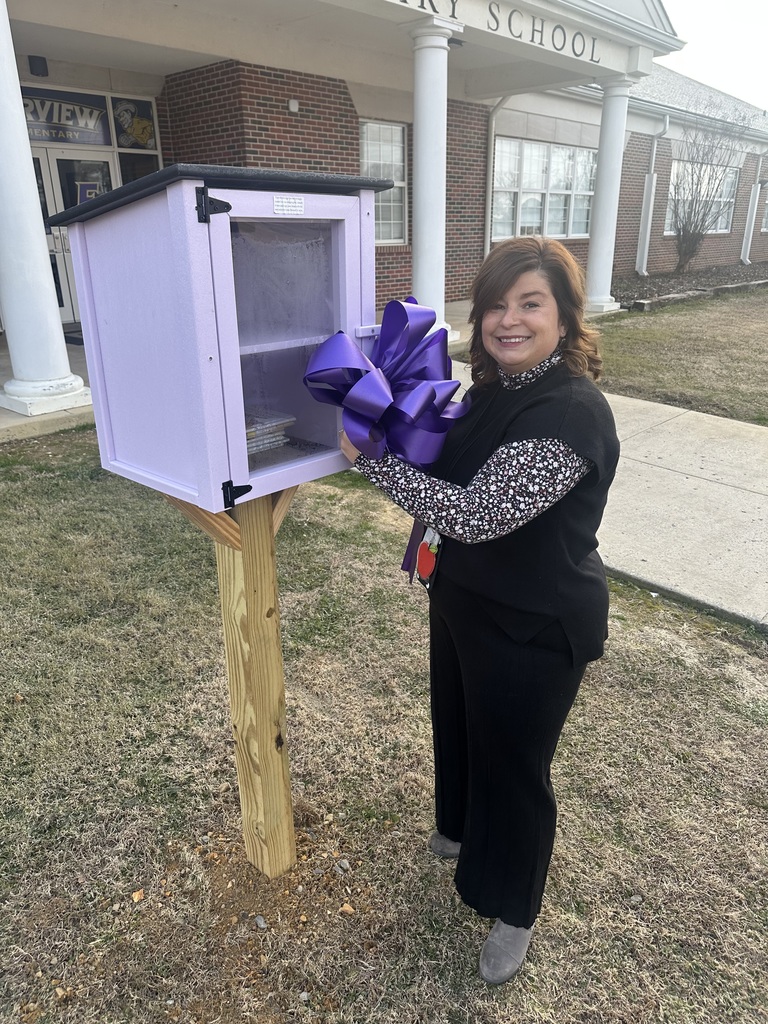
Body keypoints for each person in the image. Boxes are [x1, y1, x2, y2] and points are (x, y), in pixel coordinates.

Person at [340, 236, 620, 985]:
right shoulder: (493, 390)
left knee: (515, 766)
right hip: (466, 600)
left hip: (534, 623)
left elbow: (477, 513)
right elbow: (441, 454)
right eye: (495, 304)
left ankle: (514, 908)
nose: (508, 320)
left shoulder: (571, 412)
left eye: (530, 304)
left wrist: (373, 462)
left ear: (564, 316)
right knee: (459, 722)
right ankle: (458, 828)